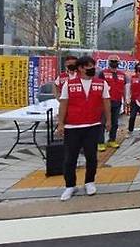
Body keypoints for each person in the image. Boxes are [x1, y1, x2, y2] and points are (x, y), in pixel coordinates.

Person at [56, 56, 111, 202]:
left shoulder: (101, 84)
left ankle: (89, 182)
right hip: (72, 126)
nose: (92, 68)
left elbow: (106, 103)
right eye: (89, 66)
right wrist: (60, 123)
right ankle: (70, 186)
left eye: (93, 65)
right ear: (80, 68)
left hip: (92, 126)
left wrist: (109, 120)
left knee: (91, 157)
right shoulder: (69, 84)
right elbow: (63, 104)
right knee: (70, 158)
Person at [98, 55, 130, 151]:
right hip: (105, 102)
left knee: (115, 122)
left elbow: (124, 88)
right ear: (108, 62)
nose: (114, 63)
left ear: (119, 63)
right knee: (103, 122)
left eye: (116, 61)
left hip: (117, 101)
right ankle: (100, 142)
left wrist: (125, 100)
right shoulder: (102, 73)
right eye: (112, 61)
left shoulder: (122, 75)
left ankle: (112, 140)